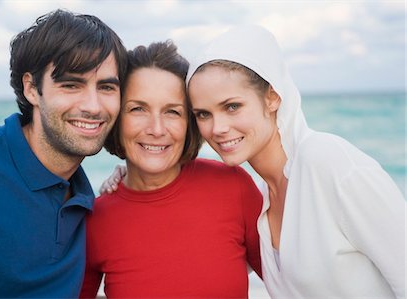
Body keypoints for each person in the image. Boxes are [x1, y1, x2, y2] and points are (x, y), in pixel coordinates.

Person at [186, 25, 406, 298]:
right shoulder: (262, 201)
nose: (217, 127)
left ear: (273, 98)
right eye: (203, 114)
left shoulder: (328, 162)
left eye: (232, 106)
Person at [0, 9, 127, 298]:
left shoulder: (88, 202)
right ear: (32, 89)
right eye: (71, 84)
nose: (94, 106)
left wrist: (135, 174)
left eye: (106, 87)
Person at [79, 40, 263, 298]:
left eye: (172, 112)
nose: (156, 129)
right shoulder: (95, 220)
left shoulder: (233, 186)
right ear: (116, 117)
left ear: (189, 122)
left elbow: (293, 283)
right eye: (138, 109)